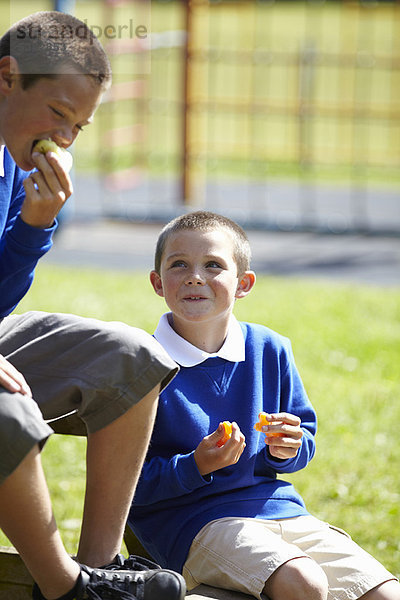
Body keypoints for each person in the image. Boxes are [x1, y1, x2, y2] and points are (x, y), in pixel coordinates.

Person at [0, 11, 186, 600]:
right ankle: (70, 591)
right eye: (58, 114)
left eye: (79, 126)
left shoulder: (12, 161)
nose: (64, 137)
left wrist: (34, 225)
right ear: (7, 76)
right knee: (9, 416)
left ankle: (100, 566)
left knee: (132, 356)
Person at [127, 211, 400, 600]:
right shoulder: (141, 363)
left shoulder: (270, 348)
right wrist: (195, 466)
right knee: (304, 583)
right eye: (179, 265)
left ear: (243, 284)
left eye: (214, 265)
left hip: (283, 513)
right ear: (157, 282)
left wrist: (287, 448)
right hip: (196, 525)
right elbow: (127, 485)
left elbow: (302, 439)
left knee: (387, 595)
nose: (195, 276)